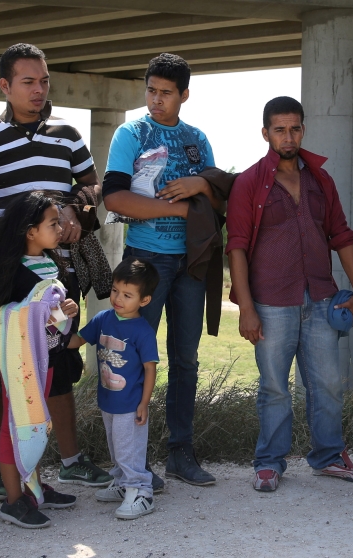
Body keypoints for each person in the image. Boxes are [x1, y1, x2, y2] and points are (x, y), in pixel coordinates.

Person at [0, 43, 112, 501]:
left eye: (44, 80)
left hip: (56, 272)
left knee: (57, 367)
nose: (38, 89)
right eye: (28, 81)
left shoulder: (67, 135)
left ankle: (69, 462)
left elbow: (93, 189)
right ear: (5, 86)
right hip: (5, 276)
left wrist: (73, 207)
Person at [226, 96, 353, 492]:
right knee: (274, 386)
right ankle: (269, 462)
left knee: (327, 383)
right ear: (265, 133)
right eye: (279, 129)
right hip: (271, 303)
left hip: (322, 298)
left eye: (294, 128)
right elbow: (236, 246)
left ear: (303, 130)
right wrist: (246, 308)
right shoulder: (249, 182)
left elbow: (341, 234)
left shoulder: (320, 180)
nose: (288, 136)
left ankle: (328, 456)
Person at [103, 52, 224, 486]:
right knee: (131, 358)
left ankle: (180, 454)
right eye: (151, 90)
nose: (156, 100)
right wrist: (171, 205)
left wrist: (200, 186)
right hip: (144, 261)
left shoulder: (197, 139)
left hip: (192, 261)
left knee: (185, 360)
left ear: (184, 95)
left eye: (166, 93)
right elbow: (114, 198)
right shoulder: (131, 132)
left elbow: (219, 197)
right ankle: (131, 464)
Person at [0, 192, 80, 528]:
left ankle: (32, 487)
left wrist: (66, 311)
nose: (61, 227)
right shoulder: (10, 268)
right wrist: (41, 314)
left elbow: (51, 310)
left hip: (43, 360)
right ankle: (13, 500)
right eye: (53, 223)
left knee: (36, 423)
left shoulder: (52, 262)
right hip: (18, 366)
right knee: (15, 425)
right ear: (30, 231)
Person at [68, 257, 160, 518]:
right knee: (116, 446)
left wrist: (144, 403)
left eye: (128, 295)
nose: (118, 298)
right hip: (108, 401)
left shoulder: (143, 331)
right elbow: (77, 340)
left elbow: (150, 368)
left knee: (129, 449)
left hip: (131, 405)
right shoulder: (103, 319)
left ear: (144, 300)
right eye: (115, 291)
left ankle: (141, 492)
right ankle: (122, 484)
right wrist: (52, 332)